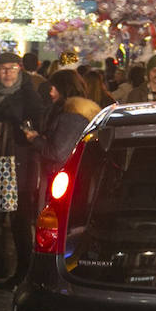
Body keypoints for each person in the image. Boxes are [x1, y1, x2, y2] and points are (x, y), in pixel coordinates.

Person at [0, 50, 46, 287]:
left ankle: (23, 271)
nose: (7, 74)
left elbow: (34, 126)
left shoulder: (29, 94)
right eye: (2, 69)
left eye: (11, 68)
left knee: (19, 220)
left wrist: (5, 122)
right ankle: (2, 263)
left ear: (19, 70)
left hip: (22, 164)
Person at [23, 69, 98, 208]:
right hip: (67, 181)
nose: (51, 92)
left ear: (65, 88)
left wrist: (35, 139)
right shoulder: (71, 112)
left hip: (62, 183)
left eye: (54, 88)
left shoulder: (72, 116)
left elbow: (58, 152)